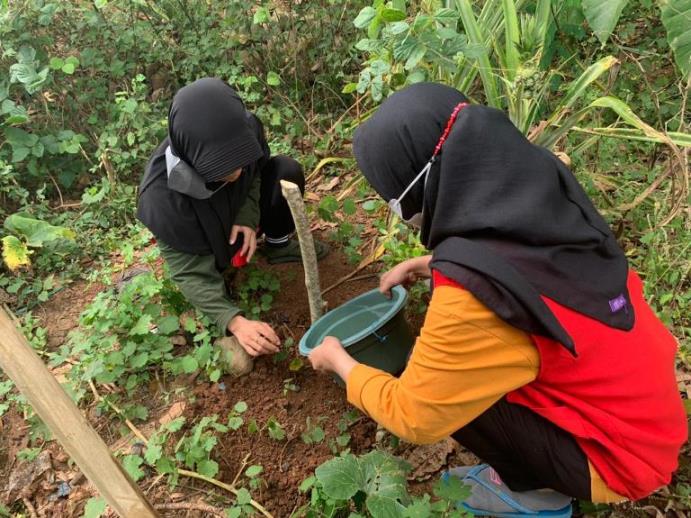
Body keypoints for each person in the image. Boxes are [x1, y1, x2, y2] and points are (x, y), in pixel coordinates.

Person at [307, 82, 687, 517]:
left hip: (620, 460)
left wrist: (340, 361)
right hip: (649, 417)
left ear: (417, 189)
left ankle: (537, 496)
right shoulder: (549, 194)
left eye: (393, 199)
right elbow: (537, 269)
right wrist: (434, 263)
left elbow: (415, 415)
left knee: (435, 380)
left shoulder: (472, 298)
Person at [137, 78, 328, 358]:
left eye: (239, 160)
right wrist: (234, 321)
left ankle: (278, 244)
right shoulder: (162, 201)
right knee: (210, 277)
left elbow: (256, 176)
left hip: (237, 220)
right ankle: (223, 274)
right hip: (206, 242)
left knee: (285, 170)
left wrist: (247, 217)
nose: (237, 172)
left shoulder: (245, 129)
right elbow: (188, 272)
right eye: (221, 168)